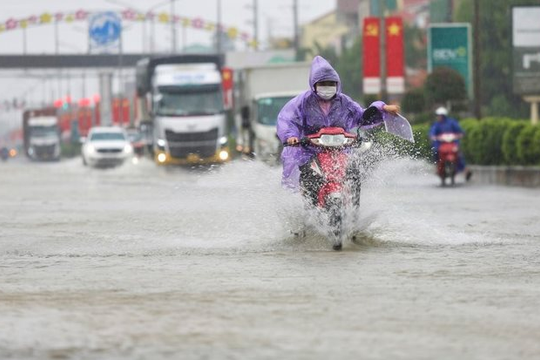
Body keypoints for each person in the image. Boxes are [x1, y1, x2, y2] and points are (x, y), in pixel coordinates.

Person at [276, 55, 400, 192]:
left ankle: (353, 203)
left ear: (337, 84)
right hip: (309, 151)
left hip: (339, 149)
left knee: (353, 172)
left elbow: (361, 116)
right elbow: (288, 119)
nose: (327, 87)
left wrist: (382, 109)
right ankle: (298, 197)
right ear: (313, 84)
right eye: (322, 84)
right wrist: (290, 136)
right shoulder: (303, 102)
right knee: (301, 170)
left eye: (331, 84)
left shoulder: (344, 102)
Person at [428, 106, 472, 181]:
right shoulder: (436, 125)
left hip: (452, 143)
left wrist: (460, 134)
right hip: (441, 144)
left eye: (440, 115)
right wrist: (433, 137)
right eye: (438, 115)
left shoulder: (451, 122)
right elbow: (432, 133)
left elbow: (459, 130)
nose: (438, 117)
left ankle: (465, 170)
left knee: (459, 155)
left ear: (443, 115)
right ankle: (437, 167)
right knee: (436, 152)